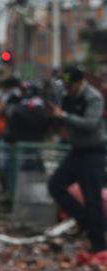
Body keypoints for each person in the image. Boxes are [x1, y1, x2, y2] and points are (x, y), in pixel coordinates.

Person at [48, 65, 107, 253]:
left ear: (80, 82)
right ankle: (83, 219)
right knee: (56, 185)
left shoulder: (93, 97)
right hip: (77, 151)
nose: (67, 89)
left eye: (70, 86)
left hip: (94, 152)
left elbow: (90, 123)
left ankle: (98, 243)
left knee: (93, 199)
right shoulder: (67, 97)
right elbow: (62, 122)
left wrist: (64, 115)